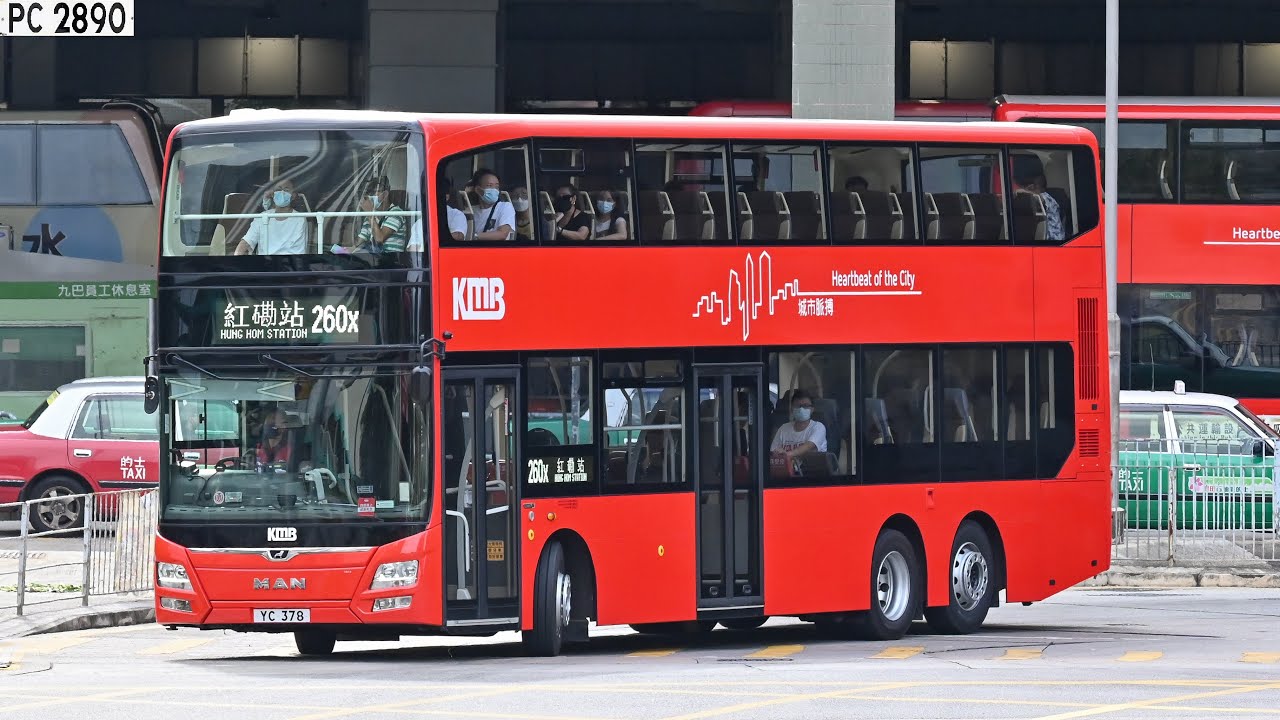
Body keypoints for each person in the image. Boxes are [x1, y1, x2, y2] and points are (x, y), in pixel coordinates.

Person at [235, 178, 308, 255]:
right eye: (278, 190)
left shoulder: (299, 219)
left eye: (286, 190)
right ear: (273, 194)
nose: (282, 192)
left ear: (293, 196)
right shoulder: (262, 217)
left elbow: (298, 252)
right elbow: (246, 242)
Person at [770, 390, 827, 475]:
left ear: (812, 409)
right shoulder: (783, 428)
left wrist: (787, 455)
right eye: (798, 406)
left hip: (813, 476)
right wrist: (777, 453)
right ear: (792, 408)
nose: (801, 409)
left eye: (805, 406)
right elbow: (773, 451)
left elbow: (808, 446)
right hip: (786, 475)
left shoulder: (818, 427)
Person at [1011, 154, 1064, 241]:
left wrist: (1023, 192)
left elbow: (1038, 198)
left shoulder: (1048, 199)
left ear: (1031, 187)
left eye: (1024, 188)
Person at [355, 176, 407, 252]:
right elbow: (358, 244)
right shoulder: (369, 218)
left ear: (385, 194)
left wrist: (370, 214)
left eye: (373, 193)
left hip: (391, 260)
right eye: (367, 194)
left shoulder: (396, 213)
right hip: (372, 259)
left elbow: (380, 239)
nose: (369, 197)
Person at [470, 169, 516, 240]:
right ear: (478, 190)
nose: (494, 190)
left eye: (496, 187)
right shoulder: (471, 211)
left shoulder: (505, 207)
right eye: (489, 186)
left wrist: (473, 236)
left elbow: (502, 234)